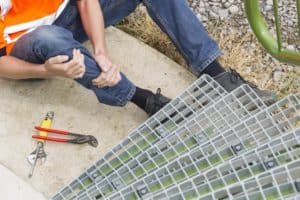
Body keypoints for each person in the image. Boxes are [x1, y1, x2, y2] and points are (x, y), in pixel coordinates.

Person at [0, 0, 275, 118]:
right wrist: (46, 71)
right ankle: (142, 99)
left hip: (66, 18)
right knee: (49, 37)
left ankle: (215, 73)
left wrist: (100, 51)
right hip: (32, 49)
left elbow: (85, 2)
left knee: (57, 32)